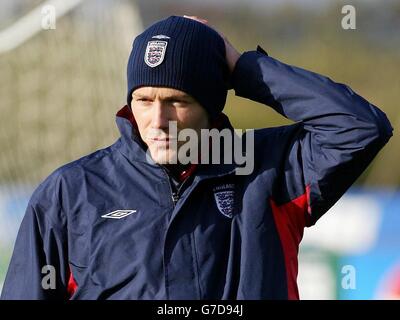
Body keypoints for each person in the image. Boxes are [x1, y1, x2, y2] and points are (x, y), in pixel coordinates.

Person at [0, 15, 392, 300]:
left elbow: (360, 128)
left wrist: (241, 67)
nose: (158, 119)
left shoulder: (270, 167)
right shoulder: (70, 191)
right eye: (143, 100)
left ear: (210, 104)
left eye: (177, 101)